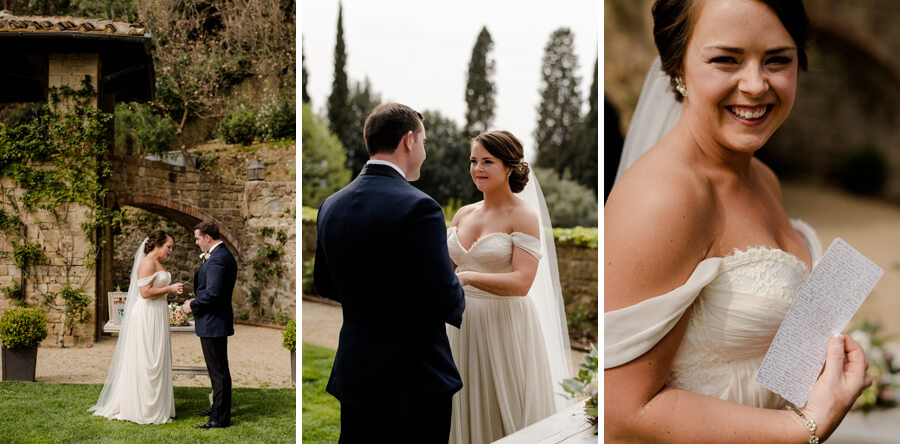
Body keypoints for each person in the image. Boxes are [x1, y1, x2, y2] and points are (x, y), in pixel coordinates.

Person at [604, 0, 873, 442]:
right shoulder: (663, 198)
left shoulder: (763, 178)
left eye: (777, 60)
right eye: (725, 59)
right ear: (677, 67)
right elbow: (624, 413)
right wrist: (808, 424)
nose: (755, 84)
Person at [314, 102, 466, 442]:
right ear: (409, 140)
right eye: (424, 143)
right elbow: (446, 298)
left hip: (355, 371)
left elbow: (324, 283)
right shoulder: (421, 207)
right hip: (414, 377)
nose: (425, 153)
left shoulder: (331, 204)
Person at [446, 130, 572, 443]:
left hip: (504, 325)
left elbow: (522, 282)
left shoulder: (523, 216)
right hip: (460, 325)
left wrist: (470, 278)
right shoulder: (463, 213)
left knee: (503, 408)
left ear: (509, 168)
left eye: (488, 161)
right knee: (461, 404)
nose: (477, 168)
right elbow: (443, 272)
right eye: (474, 161)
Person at [89, 230, 184, 424]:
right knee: (147, 359)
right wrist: (169, 288)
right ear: (157, 245)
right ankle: (143, 407)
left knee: (157, 357)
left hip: (157, 313)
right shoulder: (148, 262)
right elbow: (145, 292)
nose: (171, 251)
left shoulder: (158, 263)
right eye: (169, 246)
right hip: (147, 314)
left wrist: (169, 291)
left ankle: (157, 405)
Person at [182, 220, 237, 429]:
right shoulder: (220, 256)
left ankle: (219, 419)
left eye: (197, 238)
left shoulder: (218, 260)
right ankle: (217, 409)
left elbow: (213, 294)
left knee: (219, 372)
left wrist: (192, 305)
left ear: (207, 237)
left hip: (214, 321)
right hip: (215, 321)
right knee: (217, 370)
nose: (196, 243)